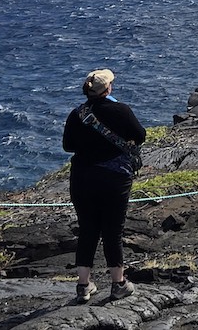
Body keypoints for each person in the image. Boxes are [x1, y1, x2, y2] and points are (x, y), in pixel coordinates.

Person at [62, 68, 146, 304]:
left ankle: (83, 286)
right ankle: (118, 284)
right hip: (115, 177)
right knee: (113, 231)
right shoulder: (121, 110)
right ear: (107, 88)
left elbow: (68, 146)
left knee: (87, 229)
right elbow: (140, 135)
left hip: (82, 177)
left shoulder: (77, 114)